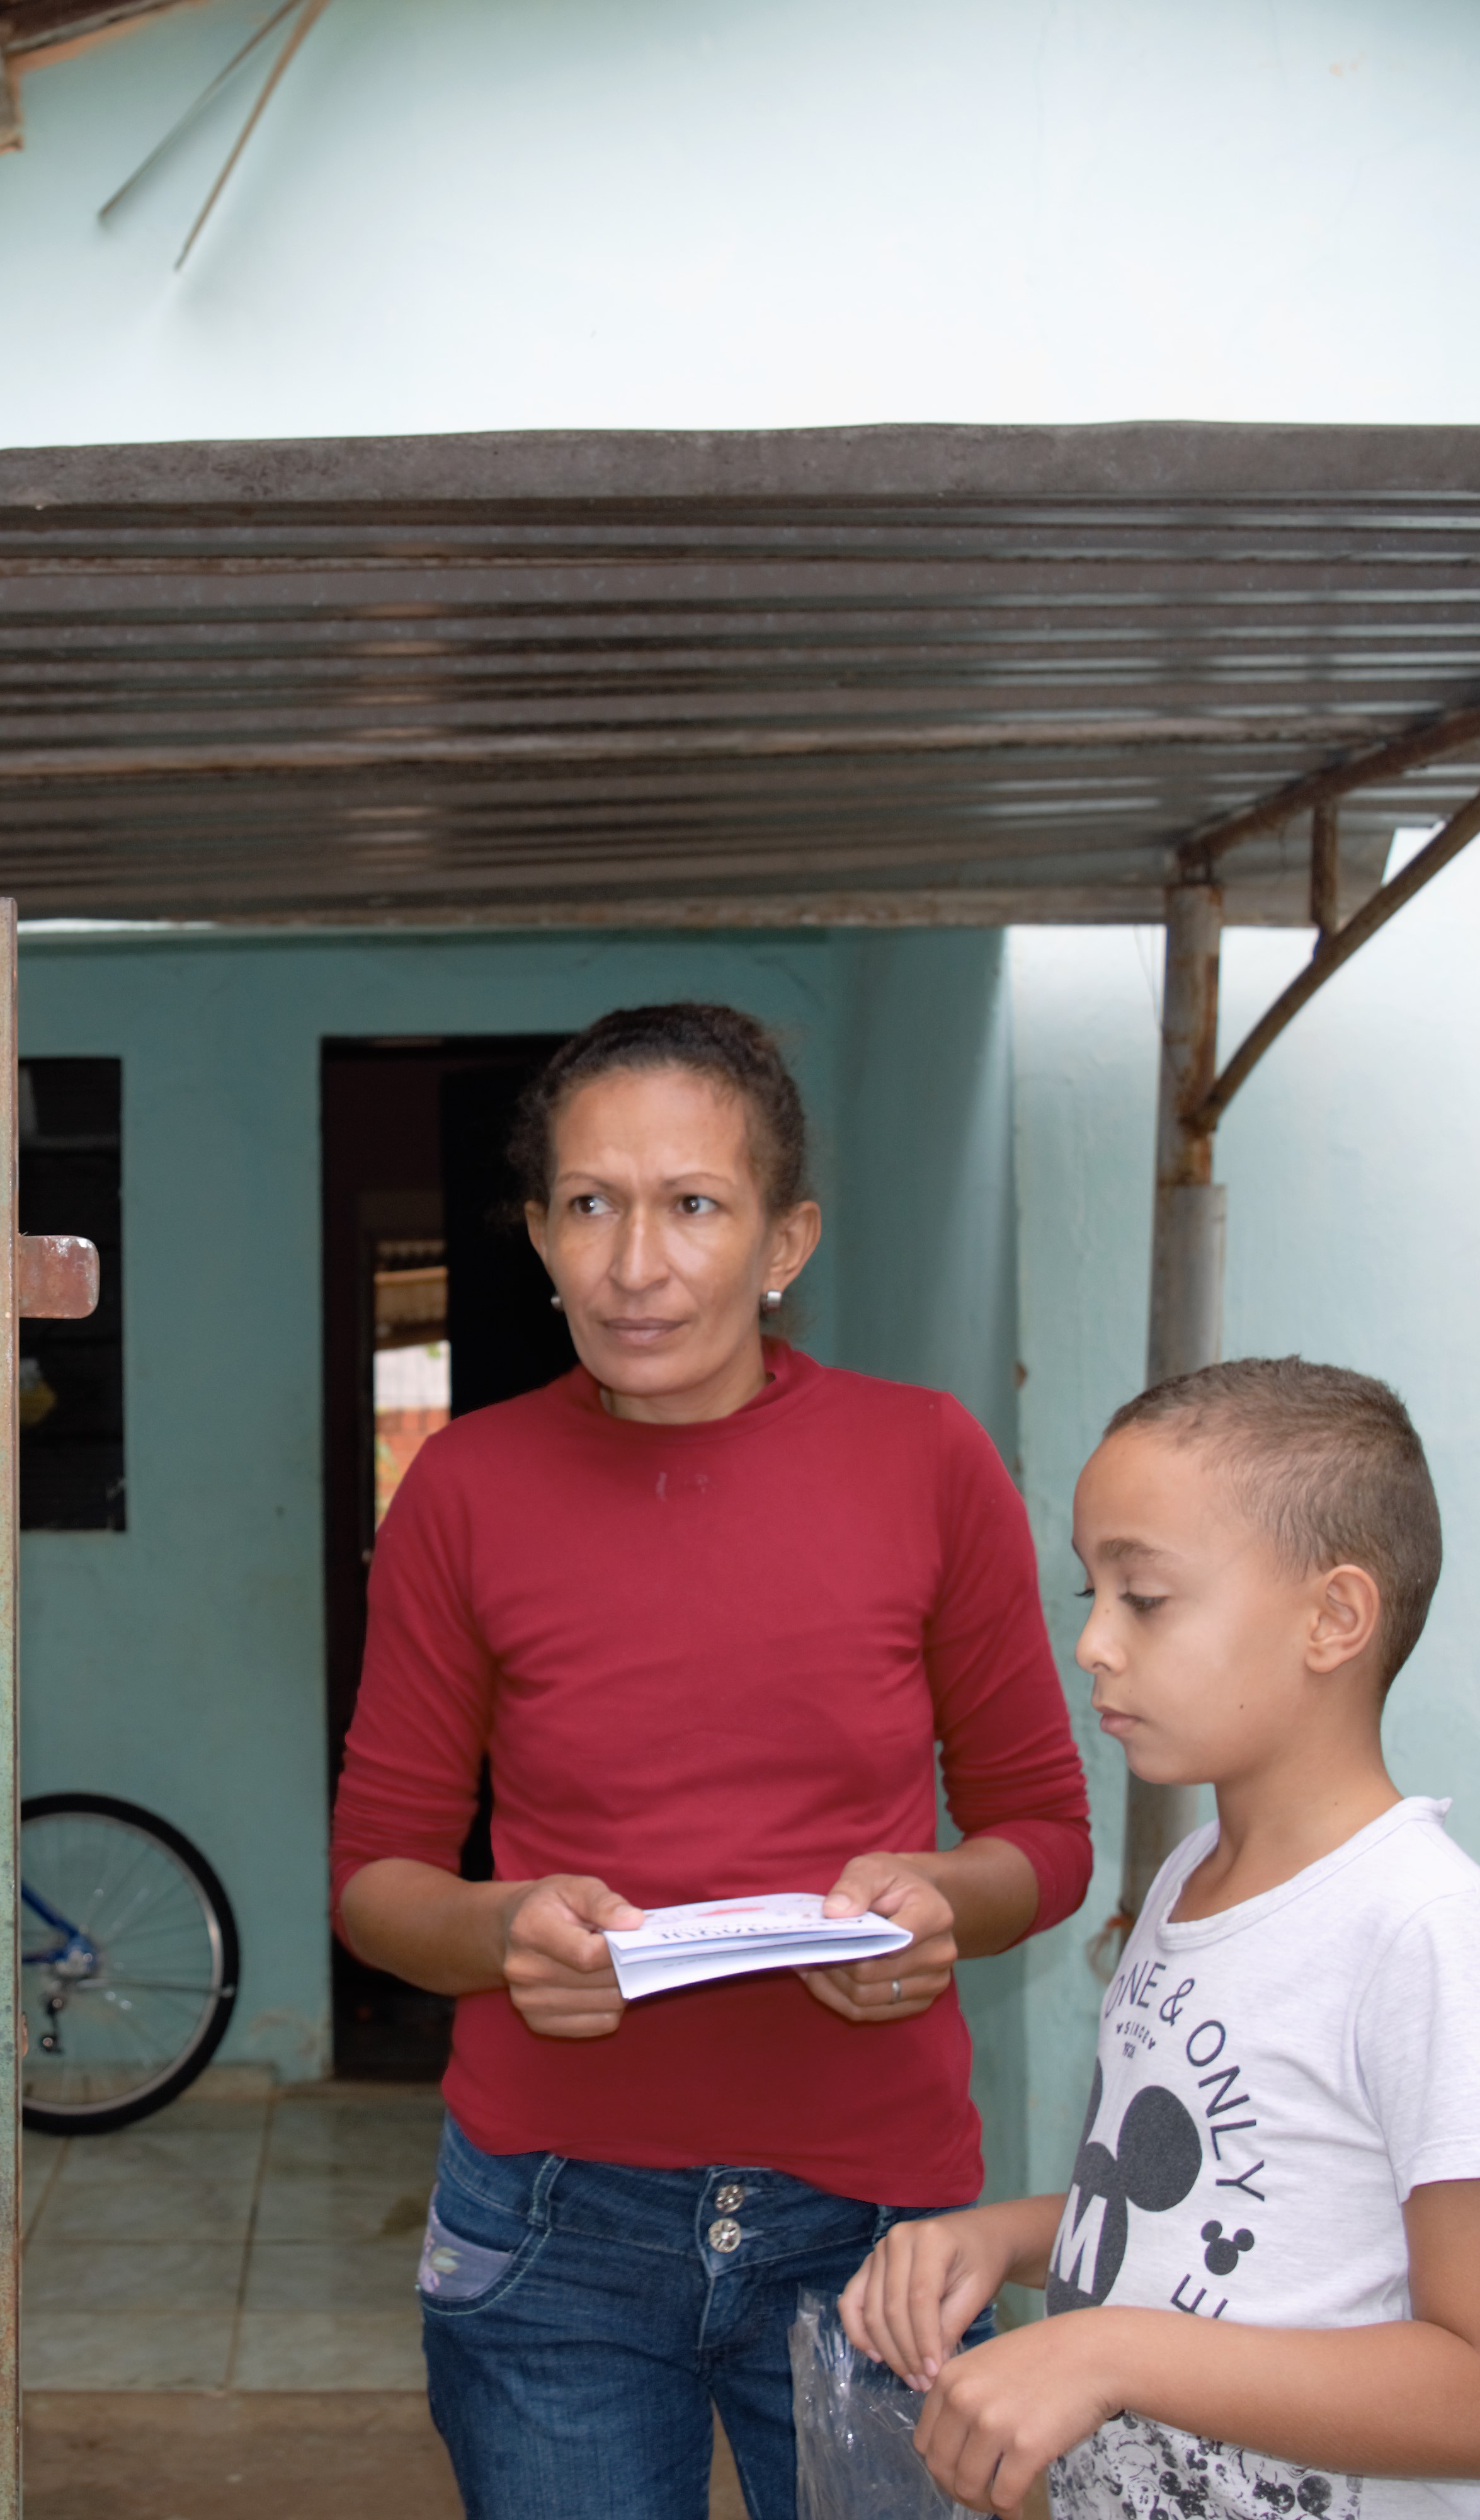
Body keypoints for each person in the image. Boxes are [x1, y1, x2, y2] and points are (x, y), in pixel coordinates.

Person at [329, 1002, 1096, 2520]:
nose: (636, 1263)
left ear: (782, 1237)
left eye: (692, 1204)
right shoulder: (463, 1488)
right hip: (551, 2222)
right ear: (539, 1234)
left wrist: (942, 1900)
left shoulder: (927, 1460)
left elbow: (1044, 1833)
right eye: (590, 1206)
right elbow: (377, 1880)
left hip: (877, 2224)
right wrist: (500, 1932)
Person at [839, 1360, 1480, 2520]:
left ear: (1334, 1618)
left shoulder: (1430, 1933)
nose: (1092, 1645)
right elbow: (1205, 2226)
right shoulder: (1194, 1876)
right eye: (1093, 1596)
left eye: (1146, 1597)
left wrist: (1104, 2356)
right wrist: (999, 2238)